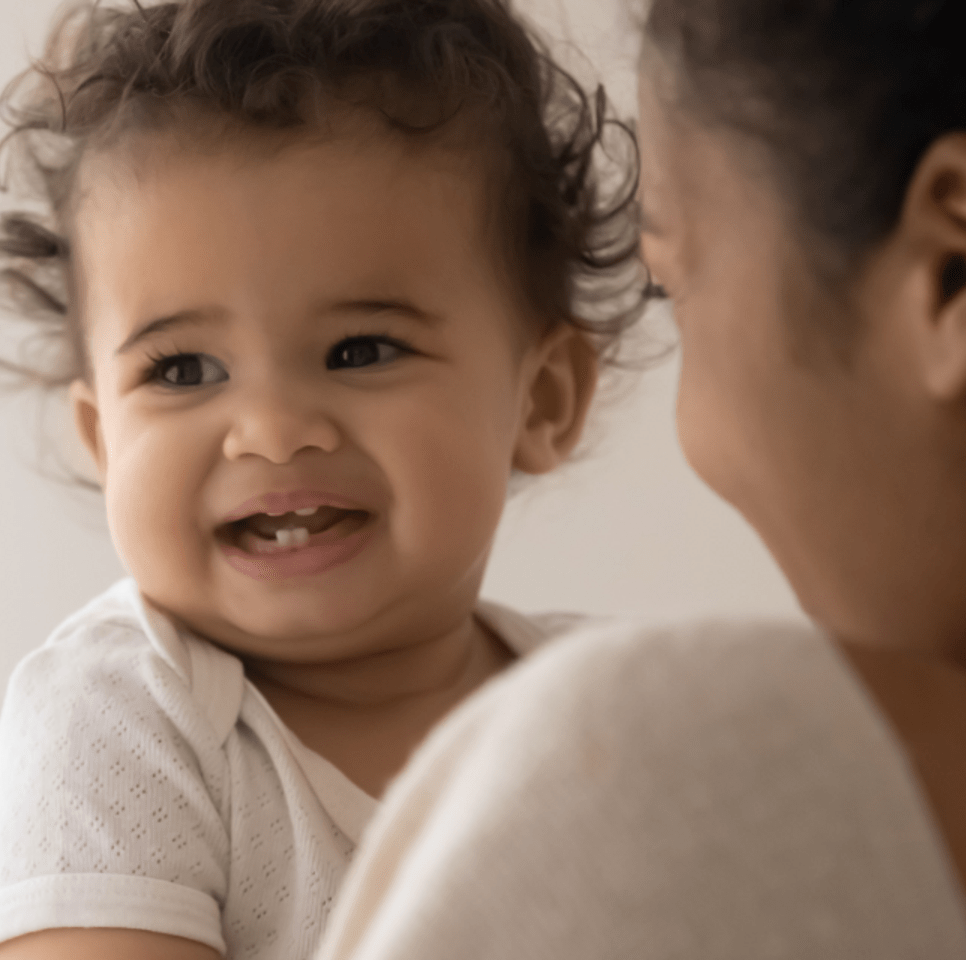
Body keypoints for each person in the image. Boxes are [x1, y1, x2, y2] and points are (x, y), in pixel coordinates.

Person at [0, 1, 647, 958]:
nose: (274, 432)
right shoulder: (125, 720)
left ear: (542, 399)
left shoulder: (618, 713)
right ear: (104, 439)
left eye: (360, 350)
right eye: (184, 369)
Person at [312, 1, 966, 957]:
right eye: (182, 369)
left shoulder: (674, 773)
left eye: (673, 283)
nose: (272, 436)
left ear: (949, 273)